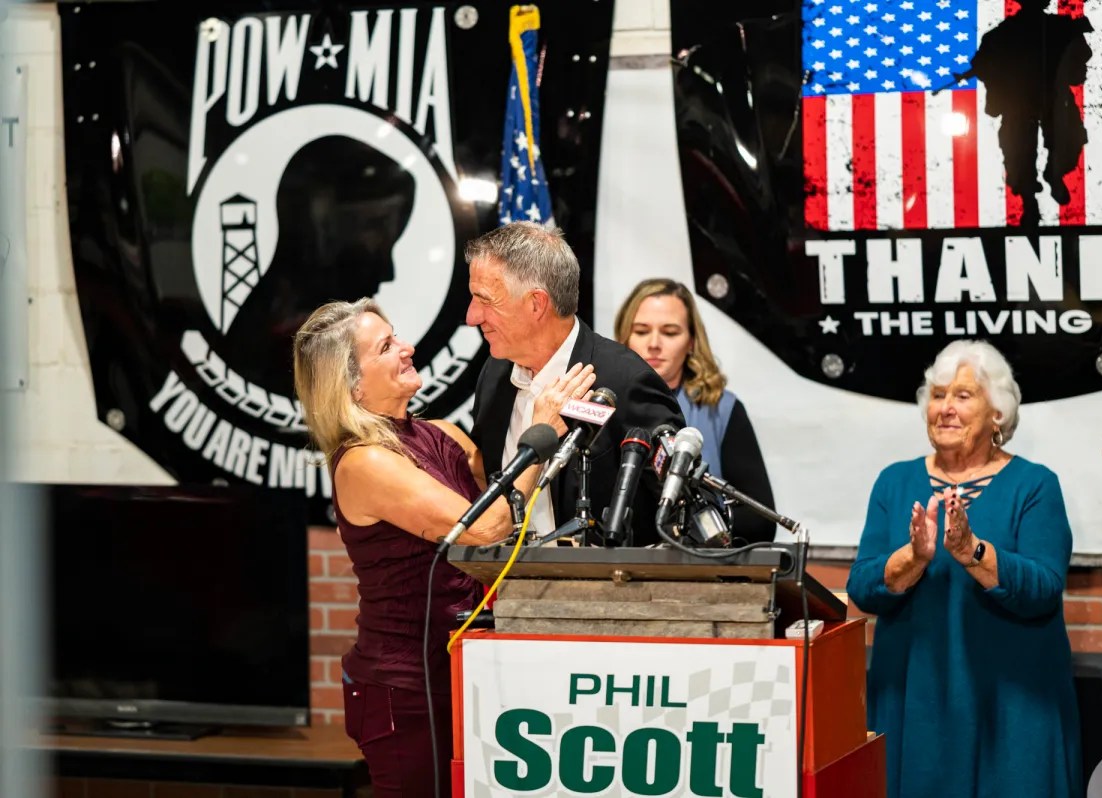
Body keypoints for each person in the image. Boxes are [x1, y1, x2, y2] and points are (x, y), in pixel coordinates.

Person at [292, 298, 594, 798]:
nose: (408, 348)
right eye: (387, 347)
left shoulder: (440, 434)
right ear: (353, 386)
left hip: (465, 669)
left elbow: (511, 490)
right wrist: (541, 431)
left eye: (398, 335)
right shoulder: (363, 462)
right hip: (407, 688)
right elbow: (484, 530)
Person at [847, 340, 1081, 798]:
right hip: (915, 704)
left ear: (998, 414)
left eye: (963, 396)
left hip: (1014, 710)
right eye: (937, 395)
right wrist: (913, 557)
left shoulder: (1035, 485)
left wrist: (971, 550)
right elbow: (863, 587)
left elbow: (1043, 589)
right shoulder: (895, 481)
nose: (946, 408)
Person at [466, 222, 684, 546]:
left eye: (484, 300)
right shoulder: (494, 375)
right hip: (516, 588)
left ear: (536, 304)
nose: (472, 316)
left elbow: (676, 515)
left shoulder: (625, 381)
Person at [613, 278, 776, 543]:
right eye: (641, 331)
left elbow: (761, 520)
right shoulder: (602, 403)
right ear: (624, 338)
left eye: (669, 332)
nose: (654, 343)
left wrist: (699, 526)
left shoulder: (721, 409)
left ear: (691, 342)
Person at [963, 0, 1092, 226]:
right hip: (1020, 100)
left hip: (1053, 97)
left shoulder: (1057, 26)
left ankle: (1054, 173)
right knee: (1018, 150)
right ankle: (1029, 200)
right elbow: (983, 62)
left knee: (1067, 139)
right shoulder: (1005, 33)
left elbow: (1081, 54)